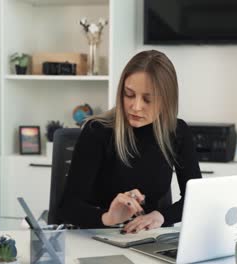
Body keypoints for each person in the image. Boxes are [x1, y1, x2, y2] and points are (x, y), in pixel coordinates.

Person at [58, 50, 202, 233]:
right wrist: (108, 218)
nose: (136, 106)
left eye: (148, 99)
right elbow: (68, 208)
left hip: (148, 237)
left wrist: (160, 216)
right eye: (129, 94)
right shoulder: (98, 131)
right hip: (98, 235)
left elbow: (195, 198)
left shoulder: (177, 132)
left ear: (166, 101)